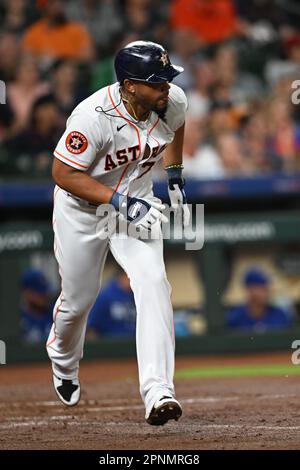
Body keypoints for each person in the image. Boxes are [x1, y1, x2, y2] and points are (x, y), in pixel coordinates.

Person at [46, 40, 189, 426]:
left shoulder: (170, 101)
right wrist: (119, 202)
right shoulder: (92, 116)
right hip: (83, 211)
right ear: (129, 86)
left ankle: (159, 390)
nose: (166, 88)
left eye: (167, 79)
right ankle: (63, 360)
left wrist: (173, 174)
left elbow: (176, 125)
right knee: (79, 300)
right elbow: (63, 174)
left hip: (136, 206)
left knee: (154, 283)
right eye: (157, 83)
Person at [226, 267, 293, 331]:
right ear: (249, 290)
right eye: (261, 288)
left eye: (266, 288)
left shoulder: (280, 315)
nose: (267, 292)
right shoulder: (235, 317)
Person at [86, 271, 136, 339]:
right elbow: (92, 328)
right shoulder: (105, 296)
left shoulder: (135, 296)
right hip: (110, 344)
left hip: (134, 343)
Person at [20, 268, 54, 343]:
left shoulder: (55, 314)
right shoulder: (19, 320)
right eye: (40, 293)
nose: (46, 295)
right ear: (27, 293)